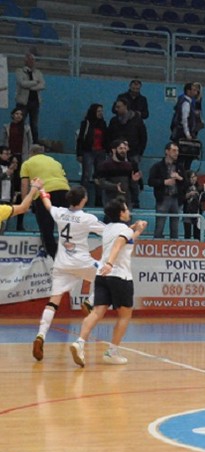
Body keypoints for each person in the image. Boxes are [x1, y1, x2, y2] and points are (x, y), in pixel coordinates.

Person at [69, 198, 147, 367]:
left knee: (96, 312)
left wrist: (137, 229)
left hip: (101, 276)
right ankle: (112, 352)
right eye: (126, 209)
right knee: (125, 315)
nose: (129, 212)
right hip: (119, 276)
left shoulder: (108, 229)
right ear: (121, 213)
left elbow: (126, 239)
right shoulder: (123, 230)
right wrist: (111, 263)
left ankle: (79, 342)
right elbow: (119, 244)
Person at [32, 186, 105, 362]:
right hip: (81, 261)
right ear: (83, 200)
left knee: (53, 302)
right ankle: (90, 301)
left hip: (62, 263)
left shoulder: (59, 212)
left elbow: (47, 204)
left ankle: (41, 335)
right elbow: (107, 231)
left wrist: (42, 190)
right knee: (106, 274)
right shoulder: (87, 218)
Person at [19, 145, 70, 258]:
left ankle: (54, 256)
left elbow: (24, 184)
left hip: (45, 194)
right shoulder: (55, 162)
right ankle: (69, 253)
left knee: (47, 228)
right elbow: (65, 179)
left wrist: (24, 204)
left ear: (30, 153)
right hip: (64, 191)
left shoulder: (27, 163)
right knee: (66, 225)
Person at [107, 98, 147, 208]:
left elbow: (143, 136)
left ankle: (135, 200)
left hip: (133, 153)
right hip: (116, 153)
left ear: (125, 106)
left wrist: (139, 151)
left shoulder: (137, 120)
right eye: (116, 107)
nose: (117, 109)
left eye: (119, 107)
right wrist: (111, 150)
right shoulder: (114, 121)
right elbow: (109, 136)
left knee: (134, 177)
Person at [2, 107, 33, 231]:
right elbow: (3, 143)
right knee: (9, 189)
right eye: (16, 113)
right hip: (9, 159)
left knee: (21, 191)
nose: (19, 116)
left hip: (22, 159)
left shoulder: (26, 128)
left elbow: (30, 144)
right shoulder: (6, 127)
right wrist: (8, 158)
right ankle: (4, 223)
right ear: (12, 115)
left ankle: (20, 223)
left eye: (21, 114)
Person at [148, 142, 186, 239]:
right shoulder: (158, 166)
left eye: (177, 151)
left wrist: (179, 178)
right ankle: (156, 246)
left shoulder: (180, 167)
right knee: (159, 226)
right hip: (163, 198)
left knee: (175, 227)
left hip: (176, 199)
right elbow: (150, 181)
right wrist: (164, 182)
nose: (176, 153)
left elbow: (186, 183)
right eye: (174, 150)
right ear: (167, 151)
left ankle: (175, 248)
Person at [76, 103, 108, 206]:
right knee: (86, 175)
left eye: (101, 111)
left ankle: (99, 199)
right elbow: (80, 139)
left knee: (99, 176)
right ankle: (82, 198)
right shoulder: (86, 123)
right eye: (98, 111)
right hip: (88, 151)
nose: (100, 113)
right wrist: (79, 153)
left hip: (101, 152)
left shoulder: (103, 124)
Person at [95, 139, 138, 208]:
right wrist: (114, 186)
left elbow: (132, 185)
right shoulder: (105, 165)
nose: (123, 151)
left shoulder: (129, 165)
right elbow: (101, 182)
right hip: (110, 199)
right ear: (114, 150)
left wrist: (134, 181)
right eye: (120, 148)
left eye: (124, 148)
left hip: (126, 199)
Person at [15, 51, 45, 143]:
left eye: (33, 60)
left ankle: (35, 143)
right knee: (20, 122)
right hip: (23, 102)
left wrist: (30, 86)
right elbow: (22, 83)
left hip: (35, 102)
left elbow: (42, 85)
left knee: (34, 125)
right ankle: (18, 141)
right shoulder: (19, 71)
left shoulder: (38, 73)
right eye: (30, 60)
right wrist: (35, 82)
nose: (32, 62)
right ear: (26, 61)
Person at [183, 172, 205, 240]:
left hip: (197, 212)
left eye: (195, 177)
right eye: (192, 177)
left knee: (197, 234)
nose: (194, 179)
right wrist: (188, 195)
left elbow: (203, 200)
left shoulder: (199, 187)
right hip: (187, 211)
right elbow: (181, 199)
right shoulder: (184, 187)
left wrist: (204, 192)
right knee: (187, 233)